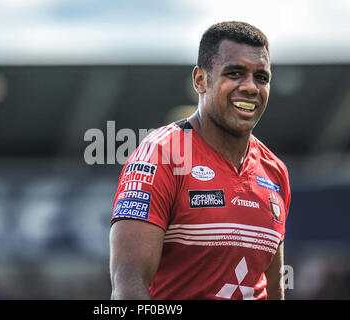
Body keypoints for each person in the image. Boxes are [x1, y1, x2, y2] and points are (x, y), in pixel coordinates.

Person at [109, 21, 291, 300]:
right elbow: (128, 289)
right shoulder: (159, 156)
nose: (251, 87)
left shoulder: (275, 171)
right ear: (200, 80)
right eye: (235, 73)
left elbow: (274, 289)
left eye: (261, 78)